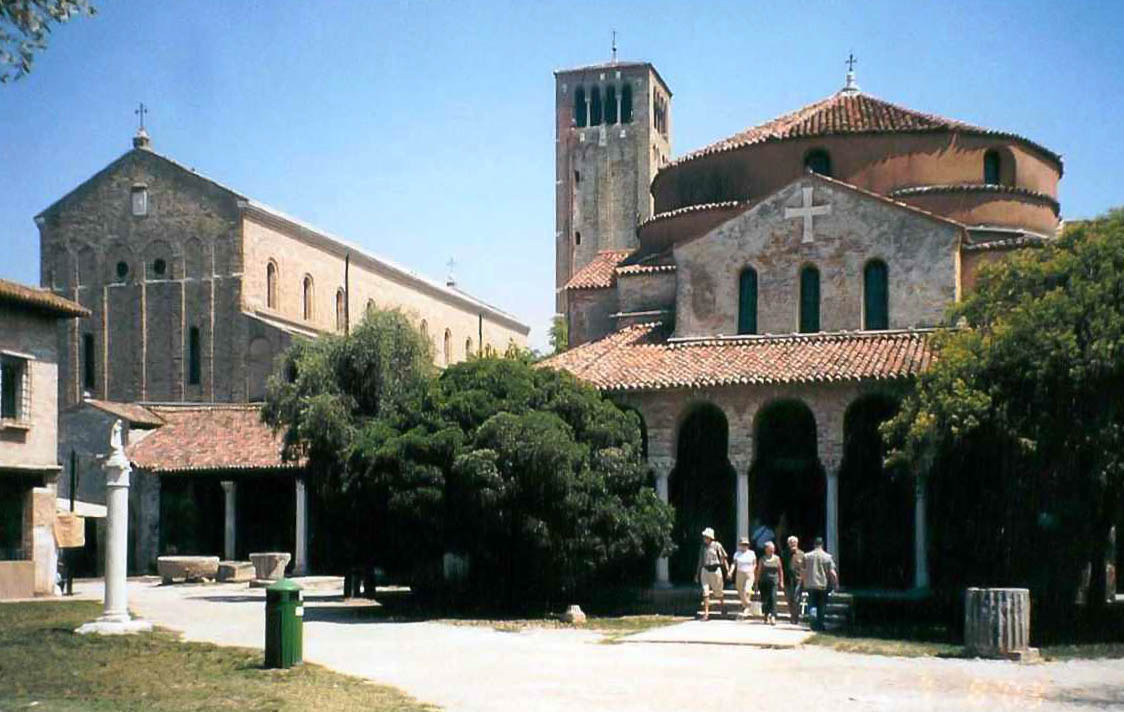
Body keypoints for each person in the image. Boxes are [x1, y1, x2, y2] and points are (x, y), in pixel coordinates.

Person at [802, 536, 839, 631]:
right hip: (822, 584)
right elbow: (832, 572)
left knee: (812, 603)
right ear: (822, 544)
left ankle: (813, 622)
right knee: (821, 605)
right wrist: (835, 583)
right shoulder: (827, 557)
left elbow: (803, 571)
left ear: (814, 544)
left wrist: (803, 581)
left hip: (810, 584)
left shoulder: (807, 556)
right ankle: (820, 624)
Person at [695, 527, 729, 621]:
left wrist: (727, 570)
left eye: (706, 536)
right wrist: (697, 573)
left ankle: (722, 606)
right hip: (705, 570)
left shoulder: (717, 545)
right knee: (705, 592)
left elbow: (724, 557)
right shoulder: (703, 547)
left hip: (715, 570)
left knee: (718, 592)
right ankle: (706, 613)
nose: (704, 538)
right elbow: (700, 561)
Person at [755, 540, 784, 625]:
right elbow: (759, 571)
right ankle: (766, 615)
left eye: (773, 548)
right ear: (766, 549)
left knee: (773, 597)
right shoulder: (762, 559)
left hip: (774, 581)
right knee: (765, 599)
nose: (772, 550)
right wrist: (756, 583)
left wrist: (781, 581)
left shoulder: (777, 558)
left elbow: (780, 571)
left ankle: (773, 616)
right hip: (764, 582)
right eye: (770, 548)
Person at [729, 536, 757, 617]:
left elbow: (755, 563)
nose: (744, 546)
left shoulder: (751, 553)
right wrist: (731, 572)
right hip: (739, 573)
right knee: (740, 590)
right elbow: (734, 564)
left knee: (747, 590)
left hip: (749, 573)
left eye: (745, 544)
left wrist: (753, 570)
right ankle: (746, 605)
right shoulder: (737, 554)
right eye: (742, 544)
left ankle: (748, 604)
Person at [783, 535, 806, 624]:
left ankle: (795, 617)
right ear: (788, 544)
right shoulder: (785, 553)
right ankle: (792, 615)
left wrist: (804, 579)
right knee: (789, 599)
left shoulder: (802, 554)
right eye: (790, 543)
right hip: (787, 580)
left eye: (794, 542)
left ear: (797, 543)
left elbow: (804, 568)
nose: (792, 544)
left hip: (798, 580)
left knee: (796, 599)